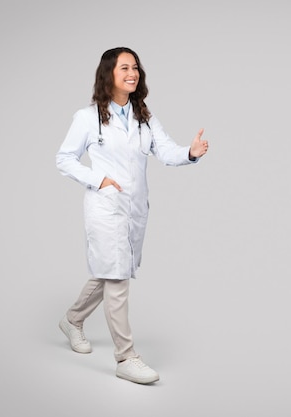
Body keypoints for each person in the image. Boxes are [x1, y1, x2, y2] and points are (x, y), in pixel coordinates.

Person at [55, 47, 208, 384]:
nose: (133, 72)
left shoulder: (144, 116)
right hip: (106, 207)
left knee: (112, 271)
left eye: (136, 67)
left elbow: (164, 149)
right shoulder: (87, 117)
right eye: (125, 67)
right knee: (118, 279)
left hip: (136, 209)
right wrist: (99, 180)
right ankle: (126, 356)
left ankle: (72, 319)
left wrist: (189, 153)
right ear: (109, 73)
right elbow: (64, 158)